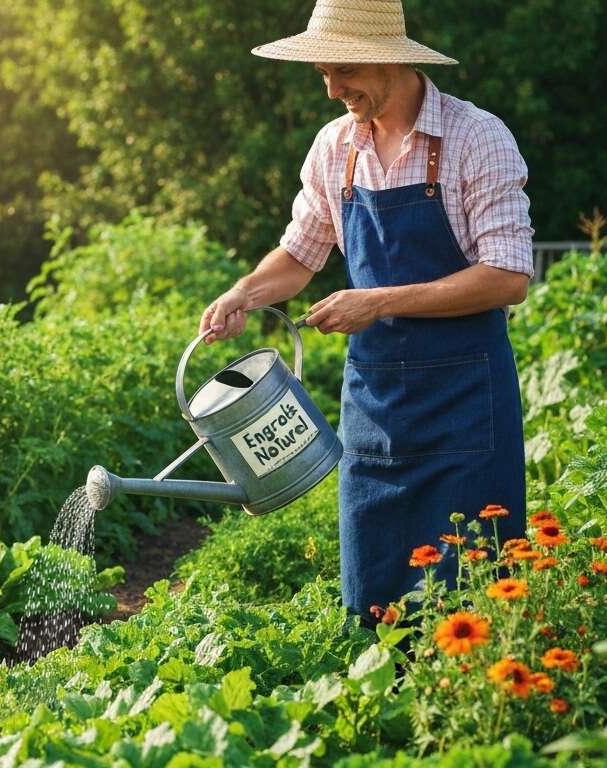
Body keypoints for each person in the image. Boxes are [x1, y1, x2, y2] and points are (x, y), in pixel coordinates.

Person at [200, 0, 531, 620]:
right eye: (323, 73)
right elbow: (299, 257)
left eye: (343, 70)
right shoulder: (334, 148)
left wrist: (376, 302)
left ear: (389, 60)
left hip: (466, 412)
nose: (332, 90)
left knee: (476, 608)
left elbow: (506, 278)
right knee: (373, 608)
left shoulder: (475, 136)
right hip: (375, 415)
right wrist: (246, 290)